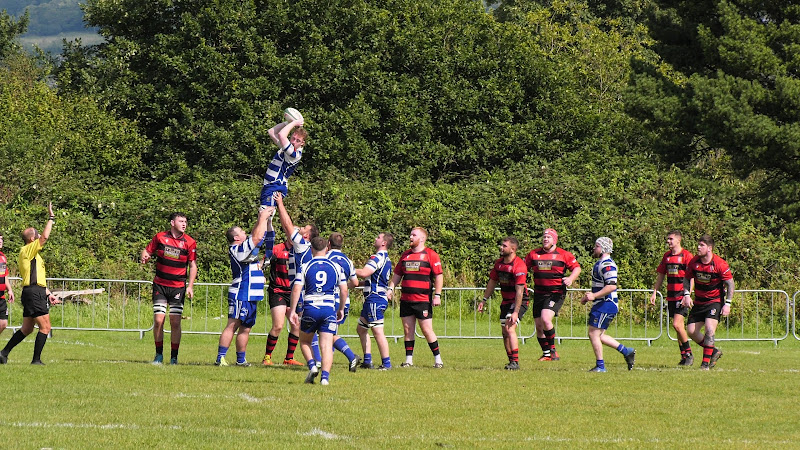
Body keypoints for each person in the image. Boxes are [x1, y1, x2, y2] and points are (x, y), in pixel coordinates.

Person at [0, 203, 61, 365]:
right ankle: (36, 360)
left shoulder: (33, 255)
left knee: (26, 329)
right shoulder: (27, 250)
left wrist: (49, 294)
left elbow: (37, 278)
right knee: (45, 327)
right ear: (32, 239)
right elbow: (45, 237)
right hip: (33, 293)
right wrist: (51, 218)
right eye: (37, 234)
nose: (40, 236)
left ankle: (3, 353)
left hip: (35, 291)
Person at [215, 207, 275, 367]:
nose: (245, 232)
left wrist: (268, 222)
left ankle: (241, 359)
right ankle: (220, 357)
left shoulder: (246, 248)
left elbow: (265, 238)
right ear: (236, 237)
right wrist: (261, 217)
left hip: (252, 295)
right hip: (241, 293)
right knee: (233, 324)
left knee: (246, 327)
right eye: (241, 231)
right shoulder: (236, 249)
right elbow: (256, 237)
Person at [288, 236, 347, 385]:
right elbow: (344, 289)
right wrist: (341, 308)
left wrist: (293, 310)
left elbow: (296, 289)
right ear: (327, 247)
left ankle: (313, 366)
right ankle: (325, 378)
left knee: (305, 341)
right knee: (327, 345)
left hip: (310, 308)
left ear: (311, 249)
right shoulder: (336, 266)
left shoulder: (305, 265)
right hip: (328, 309)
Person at [141, 212, 198, 365]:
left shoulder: (190, 242)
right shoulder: (160, 237)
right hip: (160, 285)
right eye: (181, 221)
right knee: (159, 320)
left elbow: (192, 265)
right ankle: (158, 355)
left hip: (178, 287)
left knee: (175, 321)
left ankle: (174, 357)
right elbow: (147, 251)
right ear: (172, 223)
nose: (184, 224)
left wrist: (190, 286)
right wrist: (144, 256)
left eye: (186, 221)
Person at [387, 227, 444, 368]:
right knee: (408, 331)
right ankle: (408, 360)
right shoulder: (405, 255)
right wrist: (390, 288)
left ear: (422, 239)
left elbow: (439, 276)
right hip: (406, 300)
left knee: (426, 330)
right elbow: (397, 275)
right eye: (410, 234)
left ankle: (438, 360)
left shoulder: (431, 255)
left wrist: (437, 295)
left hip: (423, 300)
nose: (410, 237)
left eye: (414, 235)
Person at [524, 228, 581, 361]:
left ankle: (553, 350)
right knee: (538, 325)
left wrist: (570, 279)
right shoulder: (534, 254)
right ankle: (546, 354)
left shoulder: (563, 254)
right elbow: (523, 268)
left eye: (548, 237)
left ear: (554, 240)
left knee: (545, 318)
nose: (545, 239)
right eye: (544, 237)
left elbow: (577, 268)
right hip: (539, 293)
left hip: (555, 292)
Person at [581, 237, 636, 372]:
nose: (594, 248)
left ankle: (601, 366)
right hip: (602, 303)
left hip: (606, 304)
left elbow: (611, 286)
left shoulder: (607, 265)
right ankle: (626, 351)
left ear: (604, 248)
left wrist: (593, 296)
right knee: (599, 335)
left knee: (593, 334)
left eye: (597, 246)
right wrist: (589, 297)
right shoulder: (600, 263)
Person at [681, 235, 734, 370]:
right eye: (698, 245)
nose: (698, 247)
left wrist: (728, 303)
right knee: (691, 331)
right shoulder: (694, 262)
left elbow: (730, 284)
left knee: (710, 330)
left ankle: (705, 364)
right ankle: (714, 351)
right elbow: (687, 279)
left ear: (709, 248)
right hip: (699, 302)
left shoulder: (720, 264)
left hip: (714, 301)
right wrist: (687, 295)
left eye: (702, 245)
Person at [478, 237, 528, 370]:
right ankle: (511, 361)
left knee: (510, 328)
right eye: (501, 245)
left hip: (519, 301)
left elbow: (519, 292)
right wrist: (484, 299)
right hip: (506, 301)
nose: (501, 247)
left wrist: (516, 312)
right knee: (504, 332)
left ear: (513, 249)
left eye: (504, 246)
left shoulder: (519, 265)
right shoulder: (499, 264)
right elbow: (492, 282)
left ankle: (515, 362)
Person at [649, 230, 695, 366]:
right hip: (671, 296)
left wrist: (688, 295)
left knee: (677, 324)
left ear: (678, 240)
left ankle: (689, 354)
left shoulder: (687, 256)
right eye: (667, 239)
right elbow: (661, 275)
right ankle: (684, 356)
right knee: (678, 327)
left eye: (670, 239)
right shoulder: (667, 256)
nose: (668, 241)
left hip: (682, 295)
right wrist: (654, 292)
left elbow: (691, 278)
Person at [261, 234, 304, 366]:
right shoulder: (277, 249)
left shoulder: (301, 251)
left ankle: (289, 358)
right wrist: (261, 275)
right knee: (278, 325)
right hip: (277, 290)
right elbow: (262, 264)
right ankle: (267, 357)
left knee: (296, 325)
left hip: (293, 293)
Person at [354, 232, 394, 370]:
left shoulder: (378, 257)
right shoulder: (386, 259)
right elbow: (370, 280)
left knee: (378, 332)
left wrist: (347, 268)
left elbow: (365, 272)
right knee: (361, 329)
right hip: (372, 298)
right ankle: (367, 361)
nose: (375, 239)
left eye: (378, 237)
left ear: (383, 243)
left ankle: (386, 364)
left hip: (375, 299)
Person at [326, 232, 361, 371]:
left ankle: (351, 357)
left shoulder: (326, 257)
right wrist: (344, 288)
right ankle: (327, 361)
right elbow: (355, 282)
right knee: (331, 332)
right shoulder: (347, 260)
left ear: (329, 244)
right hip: (344, 301)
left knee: (329, 333)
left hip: (330, 300)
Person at [259, 115, 307, 210]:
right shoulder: (286, 148)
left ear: (302, 143)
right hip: (270, 185)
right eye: (293, 138)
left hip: (275, 185)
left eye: (298, 140)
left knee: (264, 214)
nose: (293, 142)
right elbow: (272, 132)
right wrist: (287, 123)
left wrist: (294, 123)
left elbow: (281, 135)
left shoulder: (294, 153)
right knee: (266, 217)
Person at [0, 233, 16, 339]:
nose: (0, 241)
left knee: (3, 323)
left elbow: (4, 275)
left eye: (1, 239)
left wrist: (10, 289)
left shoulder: (2, 257)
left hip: (1, 296)